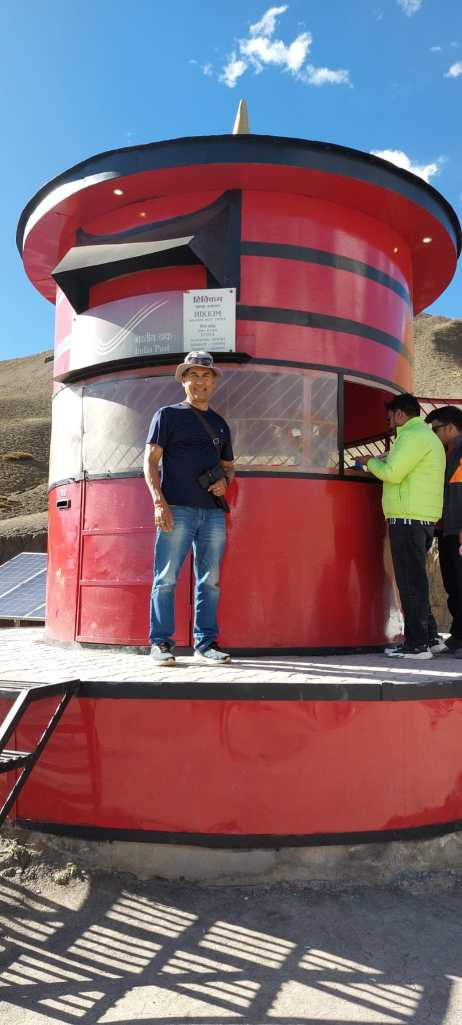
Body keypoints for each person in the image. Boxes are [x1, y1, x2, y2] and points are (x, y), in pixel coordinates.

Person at [144, 351, 235, 666]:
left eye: (206, 376)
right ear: (183, 380)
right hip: (176, 509)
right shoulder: (166, 415)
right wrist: (159, 502)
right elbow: (150, 462)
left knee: (210, 580)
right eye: (193, 375)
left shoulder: (220, 424)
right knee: (166, 577)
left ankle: (206, 644)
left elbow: (229, 466)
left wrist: (225, 482)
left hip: (212, 513)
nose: (200, 381)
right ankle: (160, 644)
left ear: (213, 382)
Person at [364, 393, 445, 659]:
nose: (390, 424)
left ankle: (417, 646)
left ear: (400, 414)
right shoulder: (426, 437)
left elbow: (393, 474)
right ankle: (430, 638)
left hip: (407, 518)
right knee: (417, 581)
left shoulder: (411, 437)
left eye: (390, 419)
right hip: (421, 518)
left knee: (410, 583)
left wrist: (370, 462)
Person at [425, 406, 462, 655]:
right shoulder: (449, 452)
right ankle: (458, 637)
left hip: (457, 530)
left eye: (436, 429)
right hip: (447, 530)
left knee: (460, 585)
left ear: (450, 427)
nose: (433, 434)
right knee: (454, 586)